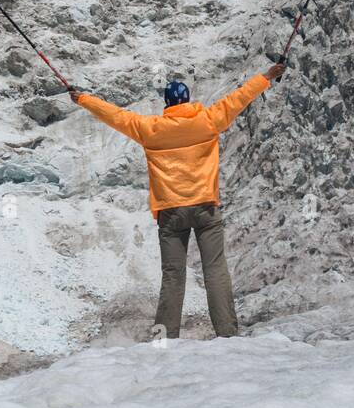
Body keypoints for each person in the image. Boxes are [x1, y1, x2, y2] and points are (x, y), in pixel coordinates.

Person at [68, 65, 284, 339]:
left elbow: (116, 116)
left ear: (167, 104)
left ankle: (166, 338)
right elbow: (240, 97)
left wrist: (83, 99)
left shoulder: (151, 129)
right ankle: (228, 334)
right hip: (206, 207)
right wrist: (266, 76)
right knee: (215, 269)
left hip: (171, 213)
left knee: (173, 275)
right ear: (188, 99)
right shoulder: (208, 120)